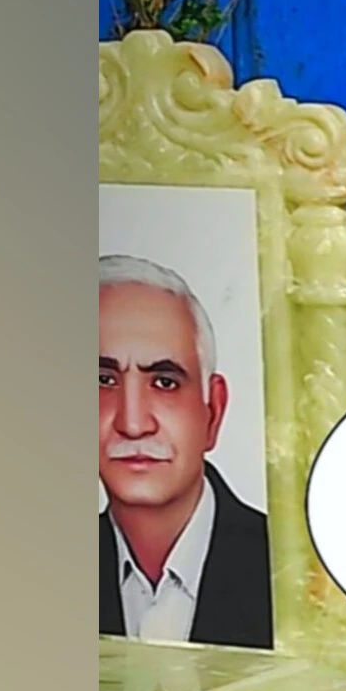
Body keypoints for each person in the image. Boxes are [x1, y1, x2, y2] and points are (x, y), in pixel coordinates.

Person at [98, 255, 273, 649]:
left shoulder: (295, 574)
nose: (133, 423)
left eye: (164, 382)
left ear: (213, 411)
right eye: (104, 380)